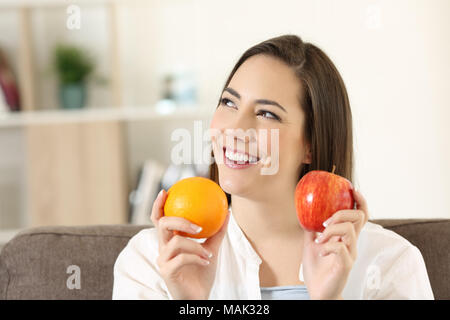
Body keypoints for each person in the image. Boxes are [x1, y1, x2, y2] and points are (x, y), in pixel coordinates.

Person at [112, 35, 434, 300]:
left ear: (310, 143)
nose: (235, 128)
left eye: (267, 114)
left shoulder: (388, 264)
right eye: (228, 102)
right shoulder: (153, 262)